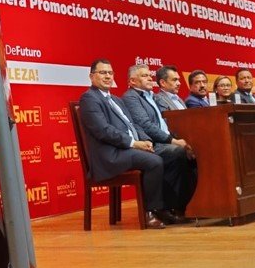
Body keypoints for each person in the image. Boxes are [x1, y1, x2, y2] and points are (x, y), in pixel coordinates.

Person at [77, 60, 171, 229]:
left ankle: (164, 208)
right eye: (102, 72)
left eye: (110, 73)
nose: (108, 76)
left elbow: (133, 124)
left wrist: (146, 141)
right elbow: (103, 131)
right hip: (110, 155)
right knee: (154, 161)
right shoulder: (89, 99)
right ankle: (149, 212)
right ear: (91, 76)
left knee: (167, 155)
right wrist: (134, 143)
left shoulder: (116, 99)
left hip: (126, 149)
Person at [122, 65, 197, 219]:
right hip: (150, 144)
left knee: (193, 149)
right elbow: (145, 125)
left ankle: (191, 203)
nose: (150, 78)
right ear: (133, 81)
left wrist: (179, 139)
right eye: (144, 76)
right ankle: (173, 206)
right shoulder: (131, 97)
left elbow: (165, 123)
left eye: (149, 75)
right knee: (178, 152)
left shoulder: (151, 96)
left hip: (163, 141)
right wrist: (173, 140)